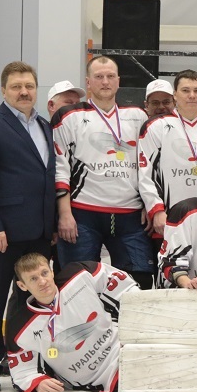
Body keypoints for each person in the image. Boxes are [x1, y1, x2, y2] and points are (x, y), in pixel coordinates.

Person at [0, 61, 56, 392]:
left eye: (29, 86)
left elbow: (47, 176)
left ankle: (22, 358)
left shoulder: (45, 125)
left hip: (40, 231)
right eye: (16, 86)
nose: (23, 92)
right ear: (4, 90)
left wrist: (52, 224)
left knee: (31, 299)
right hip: (2, 233)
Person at [52, 56, 153, 288]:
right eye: (99, 77)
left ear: (118, 81)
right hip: (83, 214)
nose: (105, 82)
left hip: (131, 215)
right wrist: (64, 214)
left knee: (139, 283)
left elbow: (147, 165)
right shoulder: (69, 116)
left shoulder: (138, 116)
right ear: (88, 82)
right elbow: (60, 167)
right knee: (78, 285)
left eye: (110, 76)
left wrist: (149, 204)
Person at [6, 253, 138, 392]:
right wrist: (38, 383)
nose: (42, 282)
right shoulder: (19, 327)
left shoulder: (80, 275)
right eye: (33, 279)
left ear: (52, 272)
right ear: (22, 286)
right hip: (91, 381)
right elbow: (23, 370)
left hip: (124, 352)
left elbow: (127, 289)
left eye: (44, 273)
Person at [138, 69, 197, 238]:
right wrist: (156, 209)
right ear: (175, 95)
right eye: (185, 90)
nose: (192, 95)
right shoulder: (155, 126)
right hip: (171, 217)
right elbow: (146, 174)